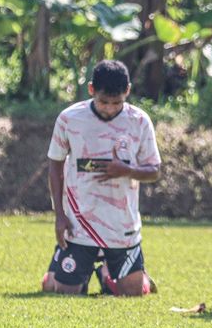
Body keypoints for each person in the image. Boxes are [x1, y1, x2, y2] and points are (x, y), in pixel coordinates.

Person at [41, 60, 161, 296]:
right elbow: (55, 166)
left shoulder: (139, 121)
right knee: (62, 291)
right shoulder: (69, 119)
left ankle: (110, 274)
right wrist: (59, 215)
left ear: (127, 91)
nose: (109, 108)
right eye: (104, 102)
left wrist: (127, 171)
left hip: (122, 226)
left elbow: (154, 171)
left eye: (116, 103)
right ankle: (56, 275)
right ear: (91, 90)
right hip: (80, 224)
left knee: (134, 293)